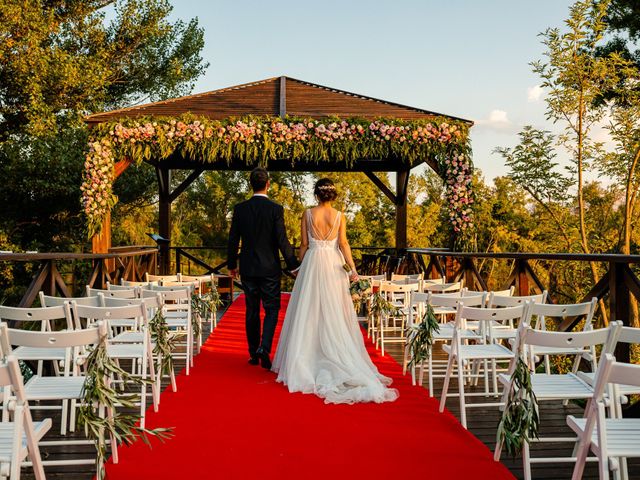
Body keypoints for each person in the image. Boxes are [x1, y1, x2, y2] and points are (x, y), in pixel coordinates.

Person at [272, 178, 399, 404]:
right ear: (333, 195)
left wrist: (301, 265)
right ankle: (336, 353)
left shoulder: (307, 214)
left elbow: (303, 243)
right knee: (335, 311)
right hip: (332, 263)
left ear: (317, 194)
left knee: (308, 309)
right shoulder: (340, 216)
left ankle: (305, 357)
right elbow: (343, 243)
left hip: (312, 263)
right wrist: (352, 270)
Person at [227, 167, 299, 369]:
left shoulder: (240, 209)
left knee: (252, 310)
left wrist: (232, 264)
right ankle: (264, 347)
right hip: (269, 268)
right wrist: (293, 265)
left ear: (251, 184)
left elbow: (233, 239)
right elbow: (282, 240)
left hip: (248, 267)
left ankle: (253, 353)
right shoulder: (275, 209)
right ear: (268, 184)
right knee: (272, 309)